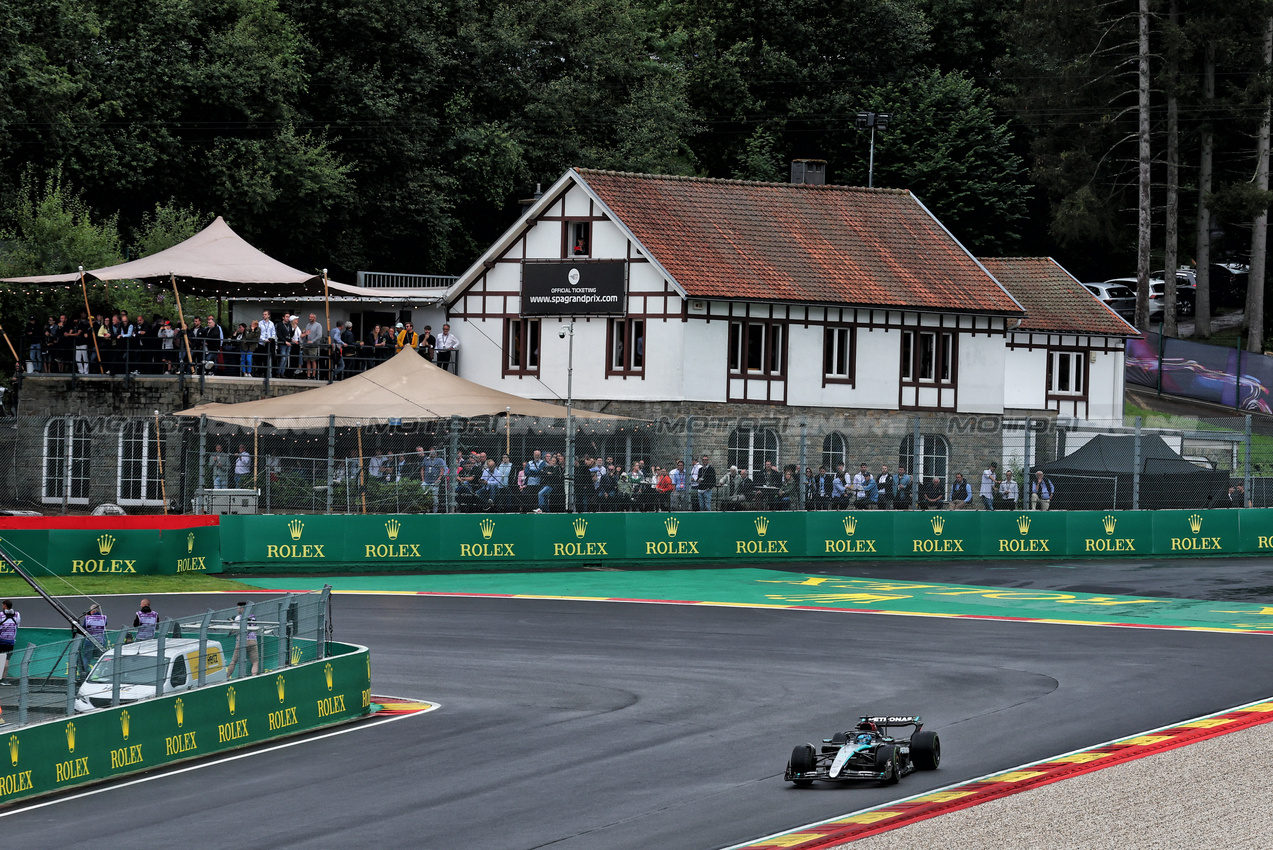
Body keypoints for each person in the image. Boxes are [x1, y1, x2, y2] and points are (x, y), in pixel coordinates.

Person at [227, 601, 259, 678]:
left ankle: (227, 677)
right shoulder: (252, 616)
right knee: (255, 662)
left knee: (234, 661)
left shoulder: (238, 618)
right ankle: (253, 676)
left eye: (238, 608)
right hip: (252, 641)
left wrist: (232, 622)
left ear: (242, 608)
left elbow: (234, 630)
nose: (237, 610)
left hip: (241, 641)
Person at [78, 603, 108, 679]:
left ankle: (83, 674)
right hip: (100, 641)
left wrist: (88, 617)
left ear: (93, 611)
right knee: (100, 657)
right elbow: (105, 624)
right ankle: (99, 673)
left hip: (89, 640)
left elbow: (84, 627)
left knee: (86, 657)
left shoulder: (87, 618)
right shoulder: (104, 618)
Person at [0, 600, 18, 682]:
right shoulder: (17, 614)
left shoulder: (1, 615)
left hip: (1, 639)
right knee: (7, 660)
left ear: (5, 606)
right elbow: (18, 625)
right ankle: (4, 679)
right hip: (10, 641)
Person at [303, 313, 324, 378]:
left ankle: (314, 375)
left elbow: (319, 335)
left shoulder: (318, 325)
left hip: (313, 345)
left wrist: (312, 341)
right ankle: (308, 375)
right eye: (309, 317)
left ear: (314, 318)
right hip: (306, 345)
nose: (310, 318)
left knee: (313, 360)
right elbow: (306, 333)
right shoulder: (307, 325)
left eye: (311, 317)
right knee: (307, 360)